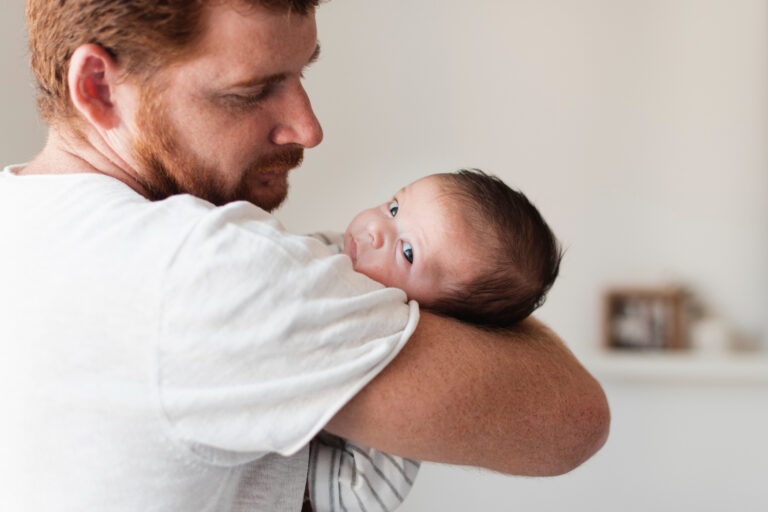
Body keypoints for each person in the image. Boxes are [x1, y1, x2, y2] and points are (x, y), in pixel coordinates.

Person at [0, 1, 609, 511]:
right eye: (252, 91)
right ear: (98, 87)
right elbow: (571, 421)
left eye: (299, 74)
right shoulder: (207, 267)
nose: (308, 127)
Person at [307, 168, 564, 512]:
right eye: (394, 208)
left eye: (408, 252)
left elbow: (365, 493)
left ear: (439, 320)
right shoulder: (330, 248)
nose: (376, 230)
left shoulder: (401, 355)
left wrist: (297, 459)